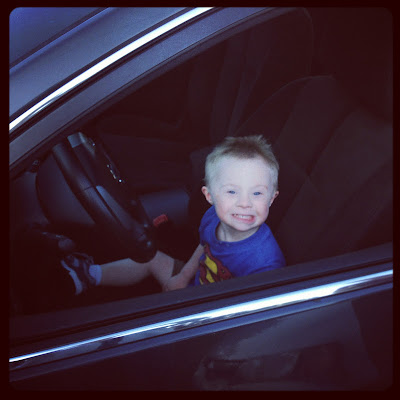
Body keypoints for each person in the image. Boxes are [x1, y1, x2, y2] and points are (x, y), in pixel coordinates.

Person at [61, 135, 286, 295]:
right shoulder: (213, 217)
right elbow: (203, 246)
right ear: (210, 196)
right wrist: (183, 276)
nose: (245, 203)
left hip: (212, 312)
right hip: (196, 283)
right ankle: (89, 274)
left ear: (272, 198)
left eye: (257, 193)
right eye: (232, 192)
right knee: (151, 258)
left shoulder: (264, 264)